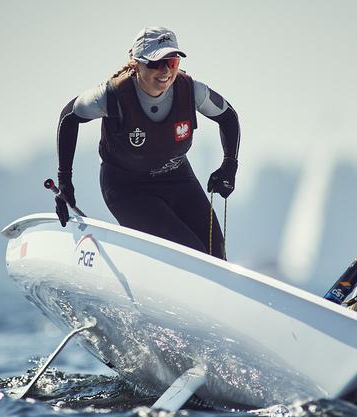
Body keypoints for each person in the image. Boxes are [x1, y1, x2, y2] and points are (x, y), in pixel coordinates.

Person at [54, 26, 240, 260]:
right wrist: (64, 182)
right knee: (189, 251)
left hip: (177, 178)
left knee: (215, 251)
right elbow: (69, 118)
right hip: (127, 189)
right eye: (155, 63)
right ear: (136, 63)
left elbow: (228, 117)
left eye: (171, 62)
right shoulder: (111, 95)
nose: (165, 71)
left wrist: (229, 165)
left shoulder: (191, 90)